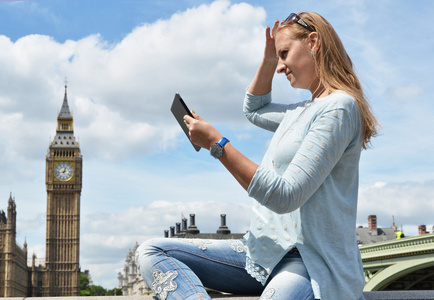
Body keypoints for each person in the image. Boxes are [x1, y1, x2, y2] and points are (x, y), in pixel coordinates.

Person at [138, 12, 378, 300]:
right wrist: (267, 59)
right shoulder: (299, 111)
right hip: (261, 252)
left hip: (310, 260)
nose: (280, 67)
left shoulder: (339, 108)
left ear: (313, 42)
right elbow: (253, 108)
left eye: (285, 54)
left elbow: (285, 196)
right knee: (152, 251)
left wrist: (218, 144)